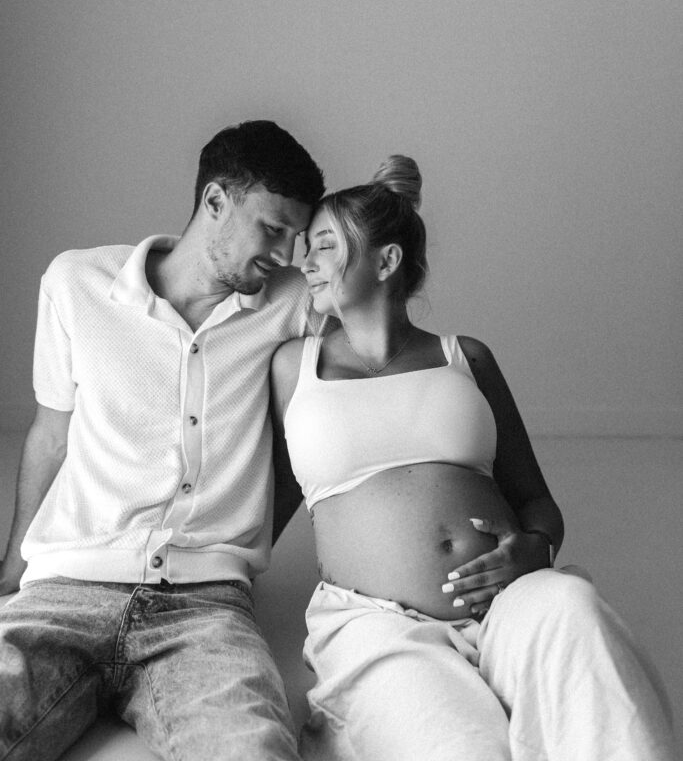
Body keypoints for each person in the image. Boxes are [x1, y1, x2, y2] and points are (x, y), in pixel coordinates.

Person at [270, 155, 677, 761]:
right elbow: (257, 503)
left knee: (576, 610)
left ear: (386, 261)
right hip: (378, 623)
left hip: (513, 599)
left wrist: (536, 545)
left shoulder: (467, 358)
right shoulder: (289, 367)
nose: (307, 262)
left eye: (325, 245)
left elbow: (537, 501)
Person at [0, 120, 326, 761]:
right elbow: (50, 436)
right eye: (272, 229)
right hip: (65, 586)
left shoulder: (292, 304)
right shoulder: (77, 284)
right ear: (214, 202)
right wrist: (14, 568)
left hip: (207, 614)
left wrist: (251, 531)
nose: (287, 255)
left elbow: (361, 366)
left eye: (296, 236)